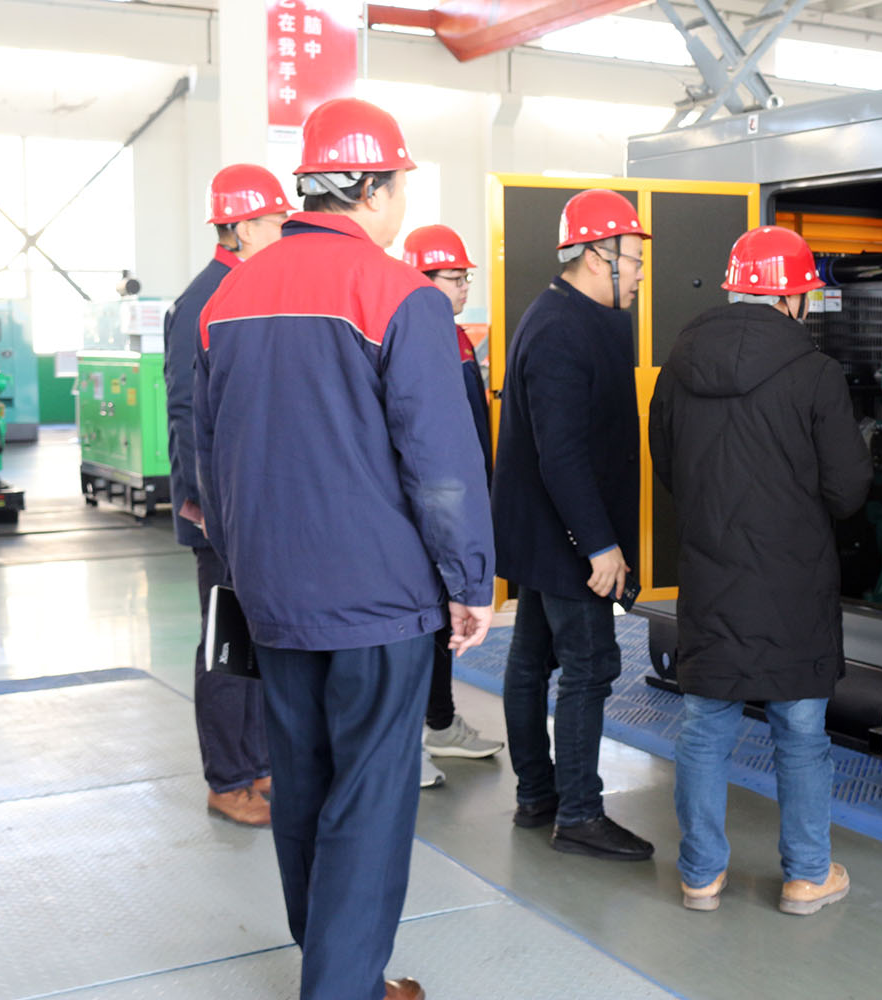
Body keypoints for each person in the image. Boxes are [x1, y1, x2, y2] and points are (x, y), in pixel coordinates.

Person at [193, 98, 495, 1000]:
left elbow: (211, 455)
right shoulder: (399, 295)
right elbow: (441, 466)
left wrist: (244, 568)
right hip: (378, 601)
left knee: (304, 780)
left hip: (273, 594)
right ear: (372, 188)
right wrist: (469, 581)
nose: (400, 201)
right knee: (369, 795)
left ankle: (331, 962)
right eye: (399, 184)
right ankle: (343, 987)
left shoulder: (231, 296)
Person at [649, 225, 872, 915]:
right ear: (793, 297)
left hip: (712, 575)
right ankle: (806, 876)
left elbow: (667, 469)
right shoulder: (816, 374)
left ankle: (700, 876)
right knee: (800, 734)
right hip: (792, 584)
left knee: (704, 729)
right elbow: (848, 490)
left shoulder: (677, 368)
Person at [491, 188, 651, 861]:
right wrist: (600, 544)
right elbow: (561, 455)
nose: (639, 275)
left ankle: (538, 795)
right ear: (595, 256)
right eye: (633, 261)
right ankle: (580, 813)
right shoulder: (561, 329)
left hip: (543, 533)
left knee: (531, 661)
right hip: (567, 538)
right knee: (590, 666)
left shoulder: (568, 314)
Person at [163, 163, 290, 828]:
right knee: (224, 642)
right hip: (217, 512)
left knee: (255, 636)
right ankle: (228, 778)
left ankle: (258, 761)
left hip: (251, 506)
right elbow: (188, 412)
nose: (283, 229)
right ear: (239, 226)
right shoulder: (203, 299)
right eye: (273, 220)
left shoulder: (250, 287)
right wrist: (205, 507)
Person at [401, 223, 503, 789]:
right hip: (424, 512)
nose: (465, 287)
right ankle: (406, 744)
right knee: (418, 629)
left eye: (466, 277)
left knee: (442, 622)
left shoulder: (458, 339)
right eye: (455, 277)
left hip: (457, 502)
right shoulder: (412, 341)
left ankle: (439, 724)